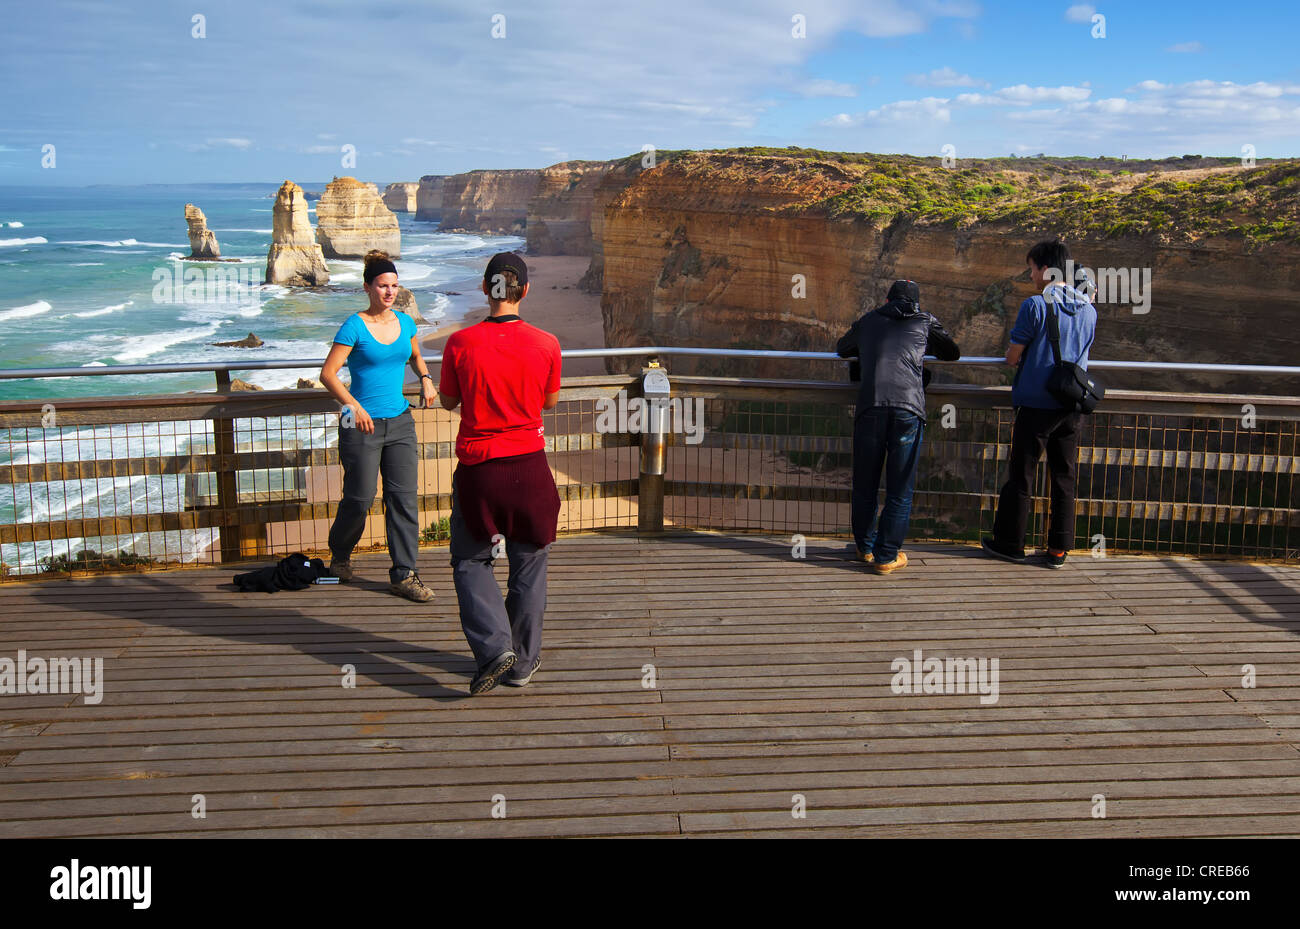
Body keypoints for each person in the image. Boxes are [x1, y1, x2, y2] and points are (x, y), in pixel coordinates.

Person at [438, 252, 562, 694]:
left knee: (471, 561)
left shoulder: (460, 343)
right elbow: (549, 403)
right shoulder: (547, 343)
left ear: (484, 289)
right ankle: (523, 663)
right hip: (529, 468)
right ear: (523, 291)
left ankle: (494, 648)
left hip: (479, 469)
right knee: (529, 561)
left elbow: (449, 401)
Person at [319, 249, 437, 601]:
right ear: (368, 287)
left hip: (400, 421)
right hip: (360, 425)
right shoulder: (354, 325)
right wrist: (353, 407)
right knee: (359, 497)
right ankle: (339, 557)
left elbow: (415, 356)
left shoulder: (406, 322)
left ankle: (404, 574)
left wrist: (427, 378)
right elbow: (328, 375)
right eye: (383, 285)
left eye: (394, 286)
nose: (390, 292)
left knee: (403, 499)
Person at [982, 239, 1098, 568]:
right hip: (1072, 407)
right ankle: (1059, 549)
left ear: (1045, 270)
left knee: (1021, 475)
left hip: (1036, 404)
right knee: (1063, 477)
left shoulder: (1034, 306)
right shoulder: (1089, 311)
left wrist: (1019, 357)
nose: (1031, 276)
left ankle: (1010, 544)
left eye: (1032, 269)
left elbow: (1013, 356)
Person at [836, 279, 960, 575]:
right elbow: (951, 352)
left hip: (871, 408)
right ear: (916, 302)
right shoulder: (924, 320)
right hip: (908, 409)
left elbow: (842, 348)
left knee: (865, 485)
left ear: (887, 299)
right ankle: (886, 555)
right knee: (899, 490)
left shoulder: (868, 320)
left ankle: (865, 548)